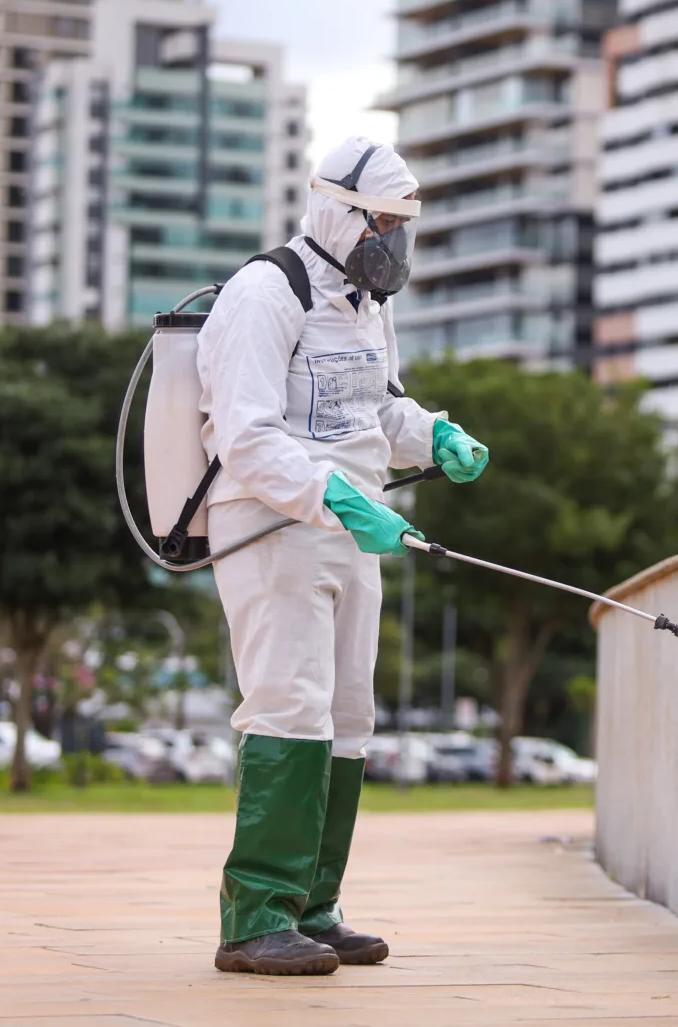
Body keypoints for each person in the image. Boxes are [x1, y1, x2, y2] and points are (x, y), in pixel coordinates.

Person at [198, 137, 489, 976]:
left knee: (349, 717)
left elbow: (378, 409)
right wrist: (331, 494)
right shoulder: (266, 292)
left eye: (402, 226)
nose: (393, 242)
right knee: (289, 703)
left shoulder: (367, 305)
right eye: (382, 223)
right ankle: (255, 917)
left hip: (353, 528)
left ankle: (313, 907)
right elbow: (245, 434)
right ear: (337, 211)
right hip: (271, 524)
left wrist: (435, 434)